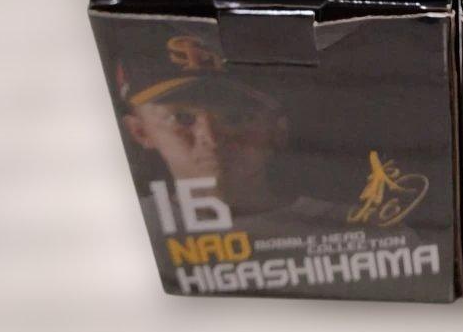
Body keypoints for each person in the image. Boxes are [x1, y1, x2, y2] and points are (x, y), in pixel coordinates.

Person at [117, 26, 337, 232]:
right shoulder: (125, 230)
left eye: (237, 117)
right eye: (182, 118)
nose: (211, 138)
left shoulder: (343, 227)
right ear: (140, 131)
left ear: (278, 129)